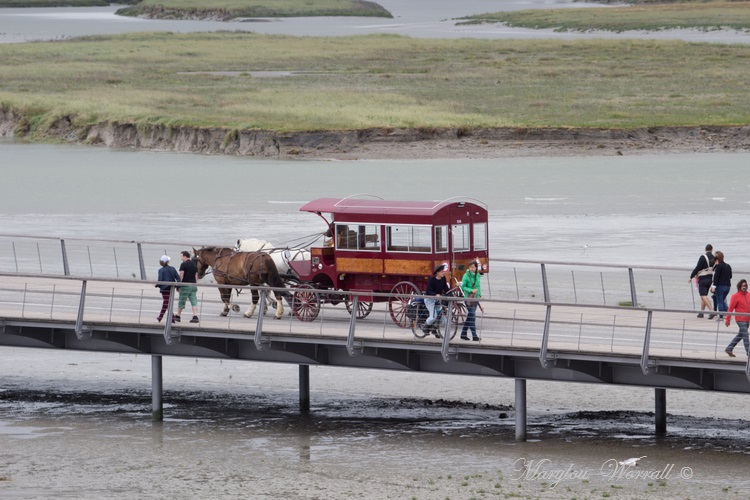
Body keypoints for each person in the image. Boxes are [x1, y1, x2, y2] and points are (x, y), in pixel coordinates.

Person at [724, 279, 750, 358]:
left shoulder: (749, 295)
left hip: (747, 319)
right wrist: (727, 320)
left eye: (745, 285)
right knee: (745, 336)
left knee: (741, 335)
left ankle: (729, 348)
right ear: (739, 286)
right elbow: (730, 309)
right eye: (742, 286)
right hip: (740, 319)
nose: (744, 287)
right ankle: (748, 353)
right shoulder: (735, 296)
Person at [689, 244, 715, 319]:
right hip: (710, 278)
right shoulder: (714, 258)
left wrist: (691, 276)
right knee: (704, 295)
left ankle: (712, 311)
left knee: (703, 295)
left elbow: (698, 267)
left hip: (703, 278)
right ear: (712, 249)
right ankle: (701, 312)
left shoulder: (703, 257)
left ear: (705, 249)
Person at [424, 263, 449, 338]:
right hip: (430, 299)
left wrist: (451, 294)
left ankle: (433, 329)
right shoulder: (432, 280)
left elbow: (446, 289)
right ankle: (425, 326)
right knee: (433, 317)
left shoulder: (443, 279)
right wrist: (435, 295)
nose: (443, 273)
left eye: (443, 271)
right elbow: (428, 291)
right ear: (437, 272)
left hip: (437, 299)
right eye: (442, 271)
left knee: (440, 317)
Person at [460, 260, 482, 341]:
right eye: (470, 267)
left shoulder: (478, 275)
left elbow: (478, 286)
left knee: (470, 316)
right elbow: (463, 287)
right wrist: (470, 290)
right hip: (468, 298)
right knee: (472, 316)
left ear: (476, 267)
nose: (471, 269)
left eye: (473, 267)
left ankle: (463, 334)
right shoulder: (466, 275)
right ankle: (474, 336)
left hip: (475, 298)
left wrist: (479, 294)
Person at [176, 250, 200, 323]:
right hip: (193, 286)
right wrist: (196, 284)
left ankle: (178, 316)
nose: (181, 258)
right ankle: (195, 316)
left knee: (182, 301)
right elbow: (196, 276)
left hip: (185, 285)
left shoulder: (183, 264)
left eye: (181, 256)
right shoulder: (194, 264)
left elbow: (181, 275)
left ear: (185, 256)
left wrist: (178, 286)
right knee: (194, 301)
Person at [156, 255, 180, 323]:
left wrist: (156, 285)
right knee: (166, 302)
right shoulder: (172, 268)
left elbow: (160, 280)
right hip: (171, 288)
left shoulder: (161, 270)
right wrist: (178, 287)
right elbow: (178, 278)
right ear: (168, 262)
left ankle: (172, 318)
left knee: (167, 303)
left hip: (164, 289)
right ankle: (160, 317)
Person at [712, 251, 732, 320]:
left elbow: (716, 277)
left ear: (716, 259)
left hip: (720, 286)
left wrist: (714, 286)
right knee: (722, 300)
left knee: (719, 301)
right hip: (728, 286)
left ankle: (721, 316)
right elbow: (730, 276)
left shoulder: (719, 266)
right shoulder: (728, 266)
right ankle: (727, 313)